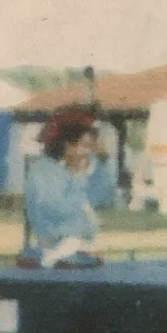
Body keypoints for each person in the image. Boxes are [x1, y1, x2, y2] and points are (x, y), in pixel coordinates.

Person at [20, 108, 117, 267]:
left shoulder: (74, 168)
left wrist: (103, 162)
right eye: (85, 146)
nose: (88, 153)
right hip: (54, 237)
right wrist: (77, 178)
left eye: (91, 148)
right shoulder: (44, 169)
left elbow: (102, 197)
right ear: (67, 145)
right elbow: (53, 207)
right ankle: (54, 257)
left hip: (79, 239)